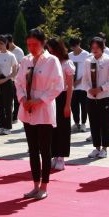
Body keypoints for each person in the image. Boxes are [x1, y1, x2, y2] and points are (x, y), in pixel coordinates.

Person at [15, 28, 64, 200]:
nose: (31, 48)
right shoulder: (25, 60)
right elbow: (18, 82)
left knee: (45, 149)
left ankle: (44, 185)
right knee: (33, 150)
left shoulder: (51, 61)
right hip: (27, 109)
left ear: (43, 43)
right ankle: (35, 184)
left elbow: (58, 86)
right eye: (28, 44)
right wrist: (22, 98)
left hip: (43, 109)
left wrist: (39, 100)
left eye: (35, 44)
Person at [85, 37, 109, 159]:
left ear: (102, 48)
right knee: (93, 122)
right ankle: (96, 147)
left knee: (104, 123)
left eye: (97, 47)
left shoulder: (108, 60)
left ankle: (104, 148)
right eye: (92, 47)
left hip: (104, 96)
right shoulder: (88, 61)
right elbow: (84, 80)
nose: (95, 50)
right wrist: (89, 89)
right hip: (91, 97)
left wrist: (101, 88)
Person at [46, 37, 74, 172]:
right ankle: (54, 154)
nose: (49, 51)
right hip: (50, 97)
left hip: (62, 97)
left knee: (63, 127)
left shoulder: (66, 63)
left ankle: (61, 156)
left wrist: (67, 105)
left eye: (50, 49)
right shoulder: (49, 62)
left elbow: (70, 86)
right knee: (51, 127)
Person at [0, 35, 19, 135]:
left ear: (6, 44)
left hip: (7, 82)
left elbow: (15, 71)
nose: (0, 46)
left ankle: (8, 127)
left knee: (8, 106)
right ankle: (1, 126)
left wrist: (5, 79)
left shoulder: (11, 56)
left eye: (2, 43)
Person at [68, 37, 90, 133]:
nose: (74, 48)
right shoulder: (69, 55)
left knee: (84, 105)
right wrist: (71, 82)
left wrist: (79, 81)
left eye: (75, 46)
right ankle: (76, 123)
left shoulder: (86, 54)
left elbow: (88, 70)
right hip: (72, 86)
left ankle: (83, 123)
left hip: (83, 85)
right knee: (74, 105)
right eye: (72, 47)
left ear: (79, 44)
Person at [6, 34, 25, 123]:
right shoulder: (6, 50)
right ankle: (9, 115)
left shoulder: (18, 51)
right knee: (8, 98)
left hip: (16, 78)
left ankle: (15, 116)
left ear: (10, 42)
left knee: (16, 98)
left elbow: (21, 65)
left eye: (6, 43)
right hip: (8, 78)